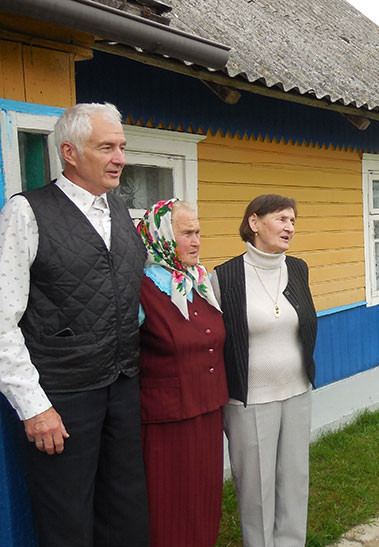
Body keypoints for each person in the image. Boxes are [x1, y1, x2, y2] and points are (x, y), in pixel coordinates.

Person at [0, 102, 149, 546]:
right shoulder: (26, 213)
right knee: (67, 521)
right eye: (106, 147)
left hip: (121, 386)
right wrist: (34, 406)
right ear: (69, 151)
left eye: (121, 147)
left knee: (125, 510)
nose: (119, 157)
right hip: (61, 397)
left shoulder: (119, 211)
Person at [213, 194, 317, 547]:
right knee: (256, 488)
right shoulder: (223, 278)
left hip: (298, 391)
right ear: (254, 223)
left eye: (293, 221)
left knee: (294, 479)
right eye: (281, 219)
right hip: (249, 399)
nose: (289, 227)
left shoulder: (298, 268)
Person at [136, 199, 228, 546]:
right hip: (164, 422)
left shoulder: (201, 282)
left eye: (198, 232)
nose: (196, 241)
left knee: (204, 501)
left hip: (206, 413)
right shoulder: (142, 289)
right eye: (186, 233)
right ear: (160, 237)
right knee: (168, 507)